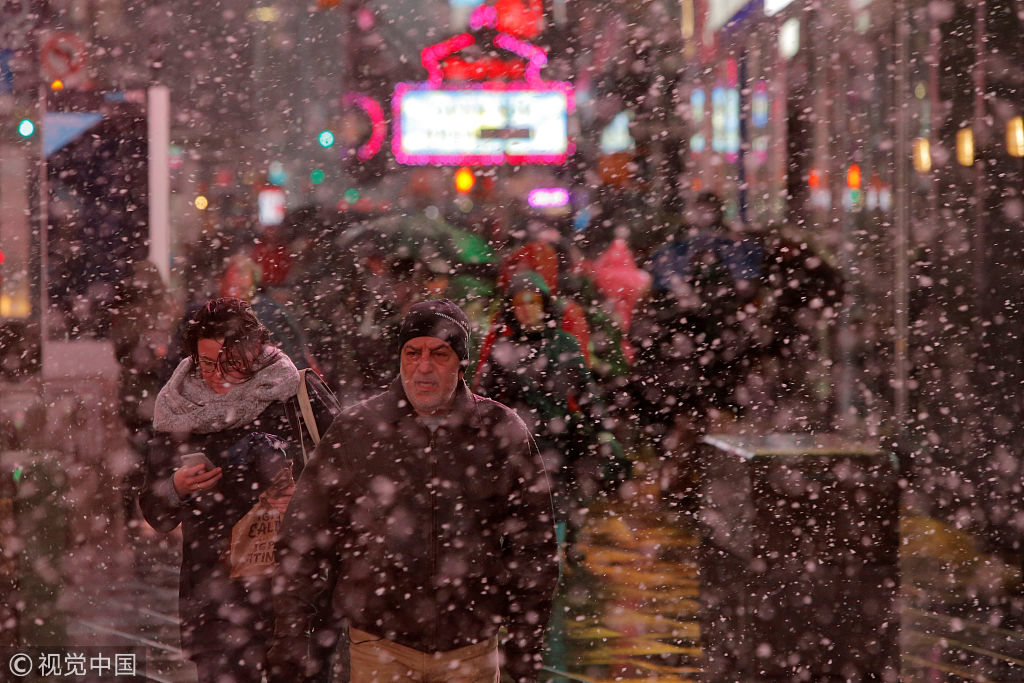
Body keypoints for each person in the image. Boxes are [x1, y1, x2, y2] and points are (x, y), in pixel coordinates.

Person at [269, 299, 558, 683]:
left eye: (439, 354)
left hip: (470, 649)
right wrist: (290, 633)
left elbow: (534, 548)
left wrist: (525, 649)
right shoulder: (358, 429)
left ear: (461, 362)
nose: (424, 366)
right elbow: (303, 535)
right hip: (379, 645)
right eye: (412, 352)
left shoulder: (499, 430)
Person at [139, 297, 340, 683]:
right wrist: (176, 487)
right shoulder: (178, 407)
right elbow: (155, 512)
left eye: (229, 361)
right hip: (215, 602)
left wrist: (300, 489)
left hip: (293, 597)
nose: (216, 374)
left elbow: (346, 478)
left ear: (254, 349)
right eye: (206, 362)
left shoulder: (295, 395)